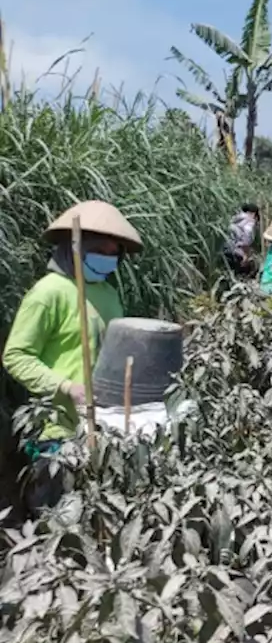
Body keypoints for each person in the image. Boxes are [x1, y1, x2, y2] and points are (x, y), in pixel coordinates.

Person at [2, 200, 143, 510]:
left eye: (112, 252)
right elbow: (16, 355)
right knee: (57, 516)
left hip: (101, 425)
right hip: (56, 429)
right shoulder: (48, 292)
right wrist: (66, 386)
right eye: (99, 250)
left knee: (96, 512)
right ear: (76, 247)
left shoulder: (107, 293)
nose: (107, 258)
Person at [222, 203, 261, 277]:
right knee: (250, 268)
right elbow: (245, 241)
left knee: (230, 271)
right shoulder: (249, 222)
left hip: (225, 250)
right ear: (253, 214)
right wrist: (245, 256)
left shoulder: (234, 219)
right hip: (237, 252)